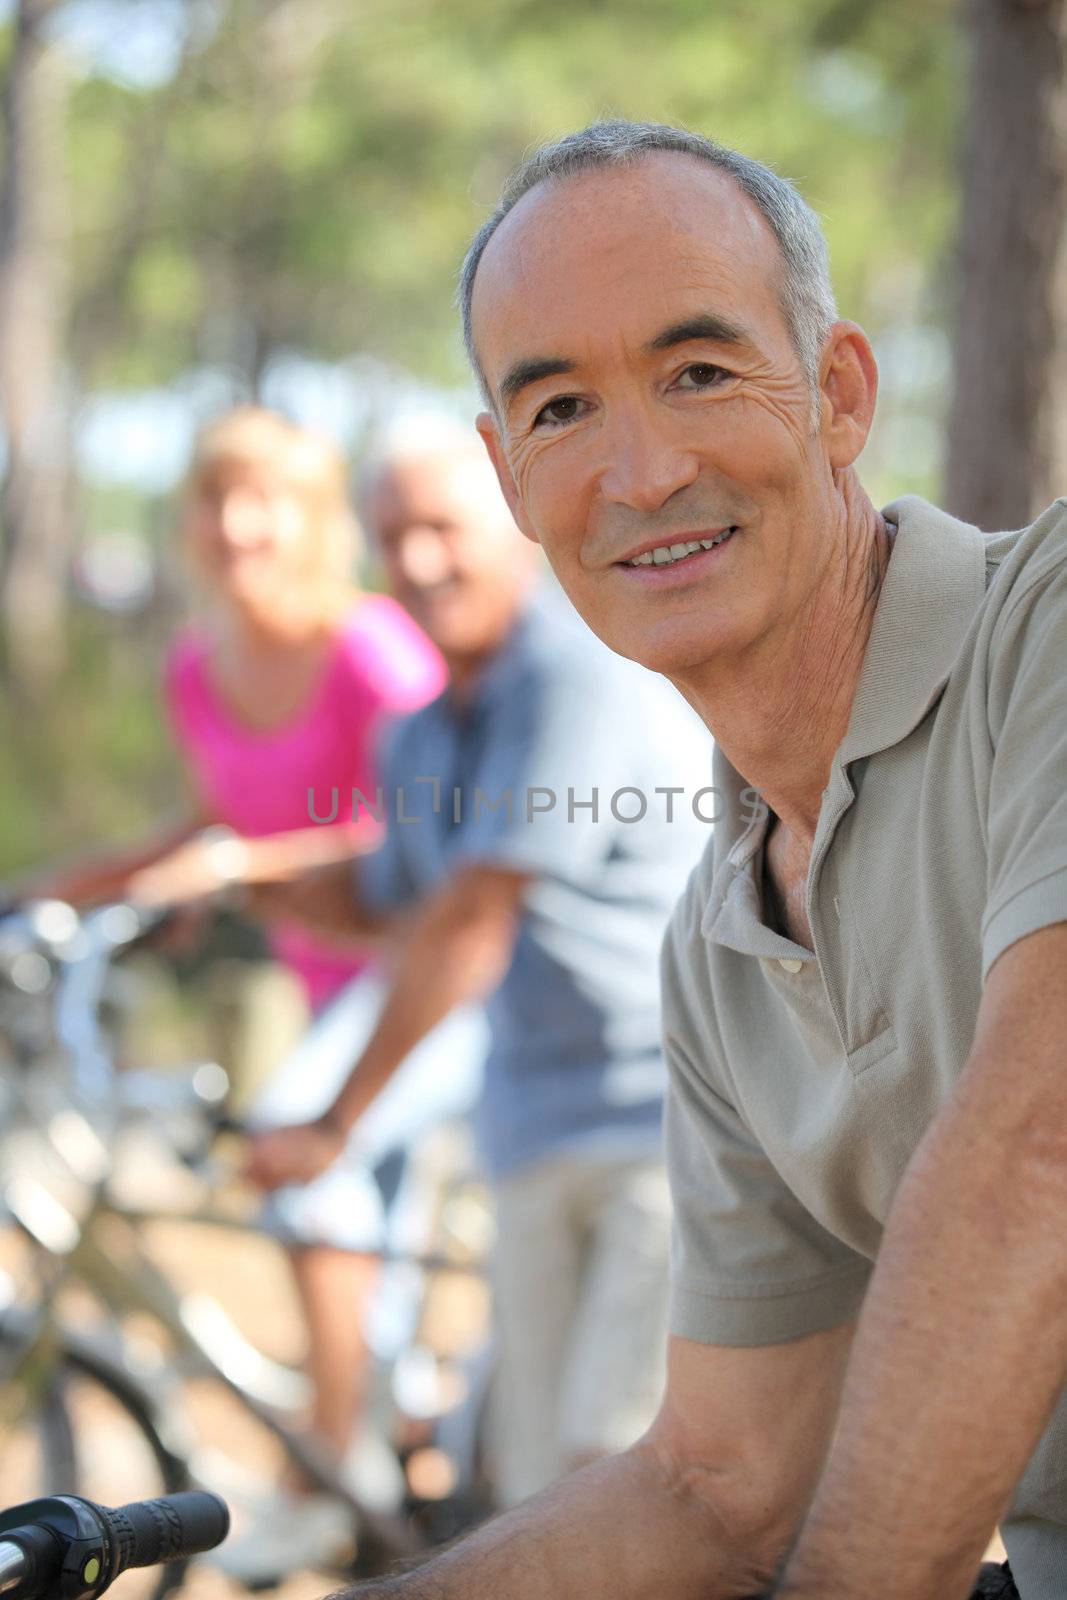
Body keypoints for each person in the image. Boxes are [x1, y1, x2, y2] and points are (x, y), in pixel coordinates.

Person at [311, 119, 1067, 1600]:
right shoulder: (715, 944)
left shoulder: (1044, 629)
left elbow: (1035, 1155)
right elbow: (715, 1486)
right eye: (559, 408)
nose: (639, 471)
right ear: (511, 480)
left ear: (838, 394)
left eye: (699, 373)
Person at [26, 407, 483, 1563]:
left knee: (308, 1168)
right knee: (341, 1233)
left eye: (262, 498)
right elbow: (219, 820)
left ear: (314, 519)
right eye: (212, 499)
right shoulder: (196, 666)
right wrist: (72, 886)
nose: (235, 525)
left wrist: (237, 867)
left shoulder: (369, 650)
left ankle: (327, 1470)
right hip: (323, 985)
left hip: (432, 975)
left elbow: (429, 825)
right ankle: (379, 1484)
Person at [246, 428, 713, 1509]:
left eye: (441, 530)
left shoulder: (575, 675)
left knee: (623, 1463)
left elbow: (466, 921)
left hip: (667, 1126)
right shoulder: (415, 736)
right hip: (530, 1130)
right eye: (392, 538)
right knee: (539, 1484)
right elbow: (385, 897)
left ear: (513, 526)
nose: (417, 561)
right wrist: (240, 883)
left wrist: (332, 1123)